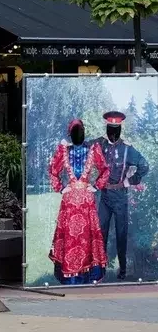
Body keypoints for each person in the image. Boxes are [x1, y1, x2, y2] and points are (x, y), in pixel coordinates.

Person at [48, 119, 109, 284]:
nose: (77, 134)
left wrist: (96, 186)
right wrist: (60, 188)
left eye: (79, 131)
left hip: (86, 202)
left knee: (85, 237)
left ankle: (87, 274)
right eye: (75, 132)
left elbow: (105, 169)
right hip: (69, 202)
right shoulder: (63, 151)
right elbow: (53, 170)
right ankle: (72, 276)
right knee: (71, 237)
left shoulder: (92, 150)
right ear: (70, 134)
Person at [94, 111, 149, 279]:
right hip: (105, 196)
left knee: (121, 233)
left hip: (120, 196)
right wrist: (67, 145)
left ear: (120, 130)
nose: (113, 133)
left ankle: (122, 270)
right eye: (111, 129)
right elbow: (83, 146)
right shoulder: (99, 144)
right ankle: (100, 270)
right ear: (107, 128)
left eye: (116, 129)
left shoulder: (127, 149)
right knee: (101, 233)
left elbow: (144, 165)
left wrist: (130, 181)